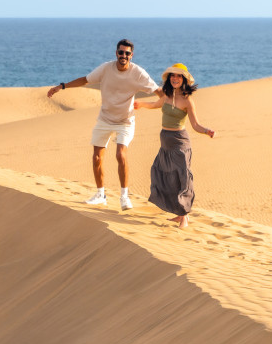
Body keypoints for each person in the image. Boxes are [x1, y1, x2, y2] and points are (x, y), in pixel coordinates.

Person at [47, 39, 160, 210]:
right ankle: (100, 195)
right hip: (105, 119)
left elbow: (158, 91)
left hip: (125, 121)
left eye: (127, 53)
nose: (123, 55)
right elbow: (85, 80)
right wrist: (61, 86)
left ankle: (124, 197)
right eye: (121, 52)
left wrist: (172, 100)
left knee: (120, 155)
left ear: (131, 55)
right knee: (97, 157)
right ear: (116, 53)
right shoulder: (106, 68)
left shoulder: (138, 73)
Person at [134, 63, 215, 228]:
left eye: (179, 76)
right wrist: (141, 104)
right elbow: (155, 105)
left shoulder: (187, 100)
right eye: (173, 75)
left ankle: (184, 216)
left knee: (182, 178)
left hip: (179, 142)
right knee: (166, 176)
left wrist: (207, 131)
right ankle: (179, 213)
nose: (175, 78)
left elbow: (195, 125)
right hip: (165, 141)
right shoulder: (167, 95)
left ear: (184, 79)